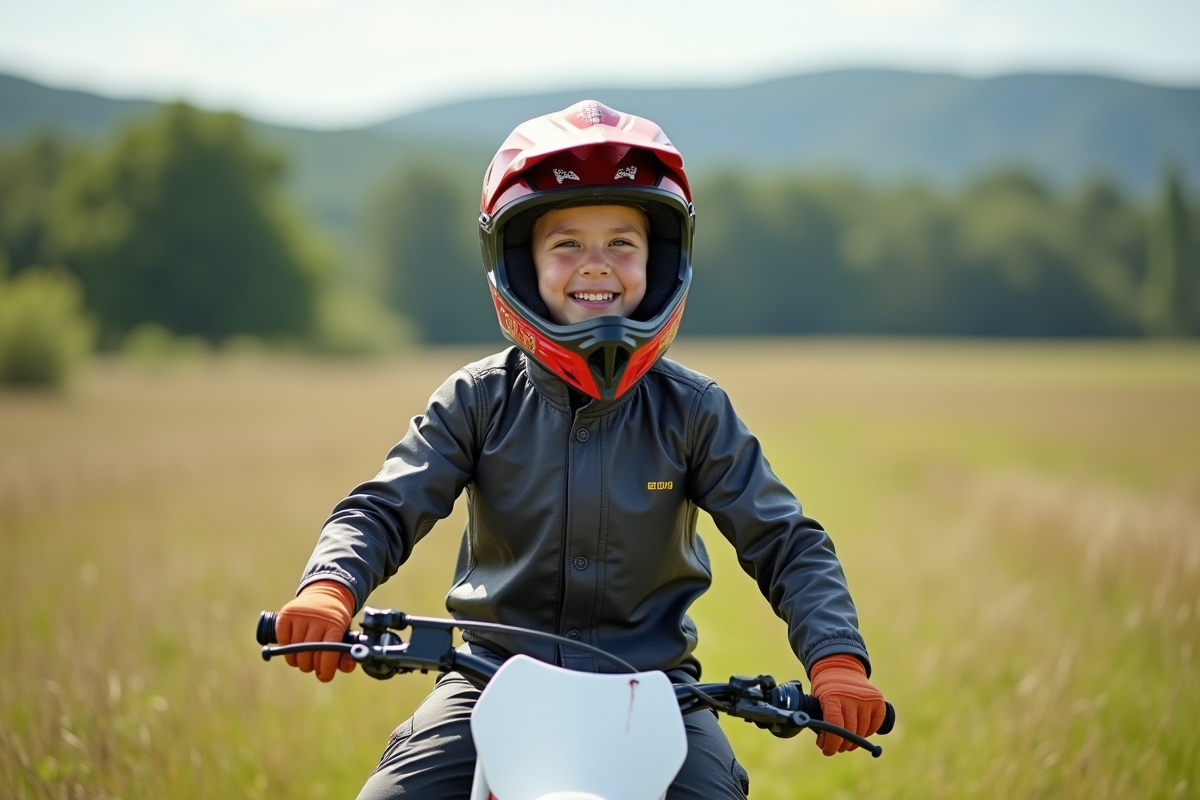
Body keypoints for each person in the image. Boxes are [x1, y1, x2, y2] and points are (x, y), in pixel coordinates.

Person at [273, 100, 887, 800]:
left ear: (660, 262)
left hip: (654, 694)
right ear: (517, 261)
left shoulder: (695, 410)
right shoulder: (476, 400)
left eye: (622, 243)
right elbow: (383, 506)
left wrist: (837, 660)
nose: (596, 265)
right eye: (565, 243)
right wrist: (330, 587)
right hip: (486, 682)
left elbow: (787, 542)